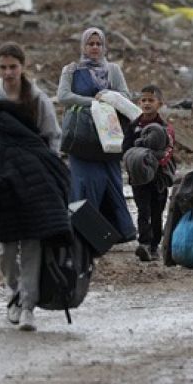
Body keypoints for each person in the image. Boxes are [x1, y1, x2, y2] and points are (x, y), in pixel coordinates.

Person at [0, 100, 73, 332]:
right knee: (7, 256)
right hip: (8, 213)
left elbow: (60, 177)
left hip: (34, 214)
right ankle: (16, 294)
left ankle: (27, 307)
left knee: (30, 257)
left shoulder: (23, 145)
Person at [57, 27, 136, 241]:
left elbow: (126, 95)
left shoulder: (113, 70)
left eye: (98, 44)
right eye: (90, 44)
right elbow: (63, 96)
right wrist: (93, 102)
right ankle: (85, 232)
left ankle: (117, 232)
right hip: (81, 137)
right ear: (82, 46)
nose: (94, 48)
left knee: (111, 181)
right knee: (83, 182)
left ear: (104, 46)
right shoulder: (71, 70)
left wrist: (109, 96)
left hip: (108, 137)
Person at [123, 85, 175, 262]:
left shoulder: (165, 128)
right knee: (142, 210)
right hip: (138, 178)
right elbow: (126, 150)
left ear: (159, 104)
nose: (146, 103)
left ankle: (154, 246)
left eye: (150, 100)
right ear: (138, 103)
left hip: (158, 178)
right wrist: (135, 162)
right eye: (143, 100)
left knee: (157, 212)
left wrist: (151, 160)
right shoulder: (133, 126)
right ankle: (144, 243)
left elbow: (168, 152)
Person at [0, 43, 61, 152]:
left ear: (22, 66)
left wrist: (52, 163)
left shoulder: (38, 99)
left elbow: (52, 135)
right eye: (3, 67)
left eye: (13, 67)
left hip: (32, 161)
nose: (8, 72)